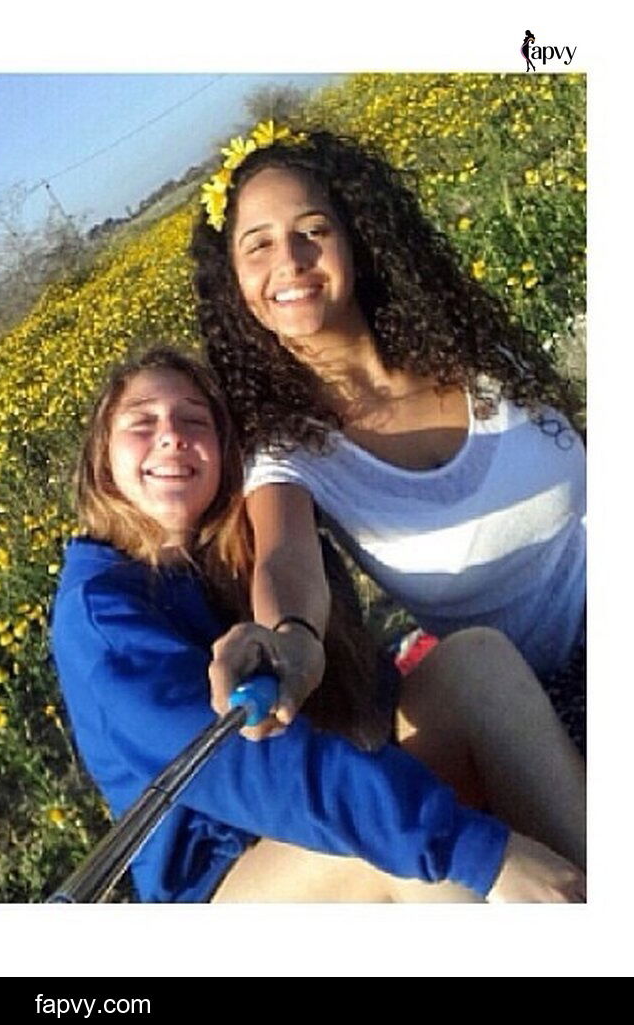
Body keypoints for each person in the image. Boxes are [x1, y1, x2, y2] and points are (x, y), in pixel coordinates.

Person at [50, 346, 585, 903]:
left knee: (474, 663)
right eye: (142, 423)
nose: (171, 436)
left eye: (194, 420)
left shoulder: (245, 553)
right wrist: (483, 853)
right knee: (383, 847)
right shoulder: (101, 616)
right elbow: (257, 769)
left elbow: (365, 705)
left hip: (325, 799)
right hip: (225, 881)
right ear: (101, 459)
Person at [189, 124, 586, 746]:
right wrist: (292, 639)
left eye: (313, 230)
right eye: (258, 245)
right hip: (556, 697)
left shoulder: (466, 347)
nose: (290, 259)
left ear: (355, 239)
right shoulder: (290, 453)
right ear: (234, 282)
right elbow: (285, 558)